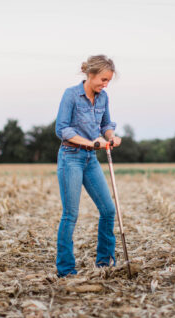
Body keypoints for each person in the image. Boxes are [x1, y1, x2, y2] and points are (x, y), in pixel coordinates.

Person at [54, 55, 122, 277]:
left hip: (91, 159)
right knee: (71, 214)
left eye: (108, 81)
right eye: (103, 79)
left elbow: (106, 125)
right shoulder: (71, 95)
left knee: (108, 210)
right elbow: (62, 129)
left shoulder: (103, 98)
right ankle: (65, 270)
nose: (105, 84)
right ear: (90, 74)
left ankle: (104, 263)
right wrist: (92, 142)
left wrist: (111, 137)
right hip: (70, 157)